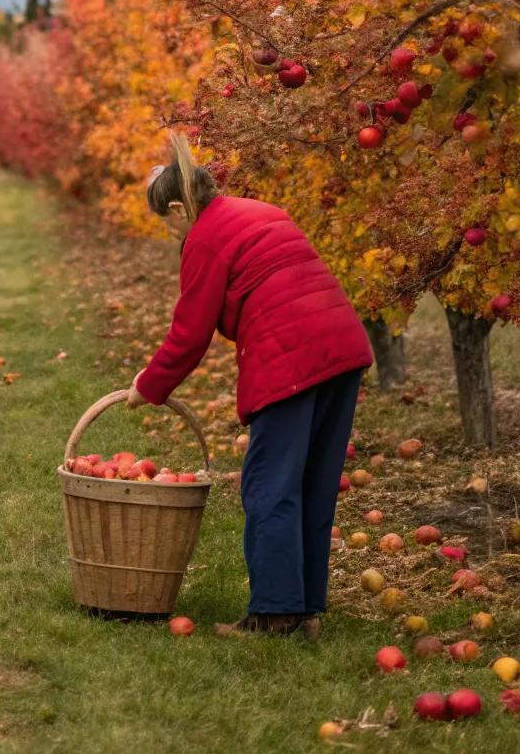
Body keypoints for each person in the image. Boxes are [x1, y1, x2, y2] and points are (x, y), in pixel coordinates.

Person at [128, 133, 372, 639]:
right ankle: (304, 610)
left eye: (167, 222)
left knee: (269, 485)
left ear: (179, 206)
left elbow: (189, 334)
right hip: (342, 346)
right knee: (312, 483)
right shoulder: (259, 210)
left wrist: (147, 387)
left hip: (293, 358)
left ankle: (275, 613)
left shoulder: (205, 236)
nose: (172, 233)